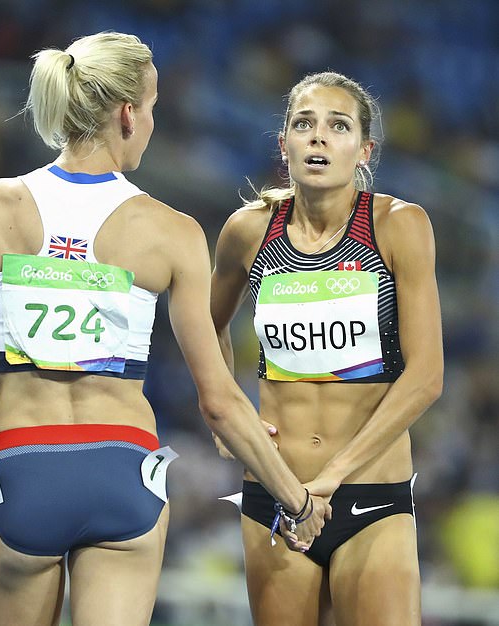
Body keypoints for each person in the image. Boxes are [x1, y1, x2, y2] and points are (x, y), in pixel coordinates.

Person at [0, 32, 330, 626]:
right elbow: (219, 402)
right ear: (126, 113)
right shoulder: (170, 231)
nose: (151, 124)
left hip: (20, 469)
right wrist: (296, 499)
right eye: (152, 109)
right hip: (122, 471)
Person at [210, 71, 443, 626]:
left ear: (364, 150)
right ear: (283, 143)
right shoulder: (248, 232)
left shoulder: (398, 225)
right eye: (304, 124)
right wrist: (229, 419)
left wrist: (331, 476)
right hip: (276, 492)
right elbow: (204, 327)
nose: (318, 137)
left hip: (370, 494)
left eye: (337, 126)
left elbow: (427, 376)